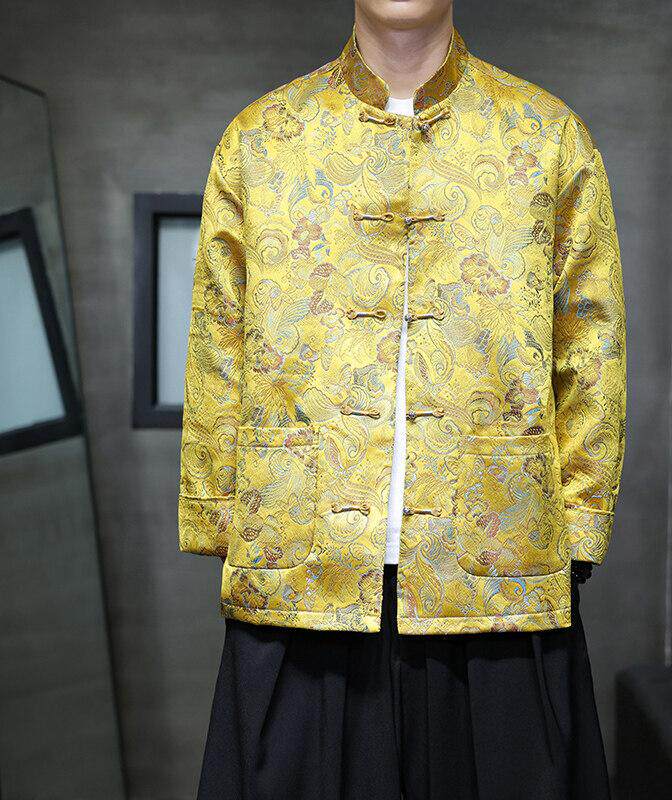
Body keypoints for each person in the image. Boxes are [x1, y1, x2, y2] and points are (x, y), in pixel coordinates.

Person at [177, 1, 626, 797]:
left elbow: (590, 344)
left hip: (497, 575)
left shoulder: (546, 136)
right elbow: (220, 341)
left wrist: (581, 521)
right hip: (301, 573)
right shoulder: (262, 139)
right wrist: (218, 512)